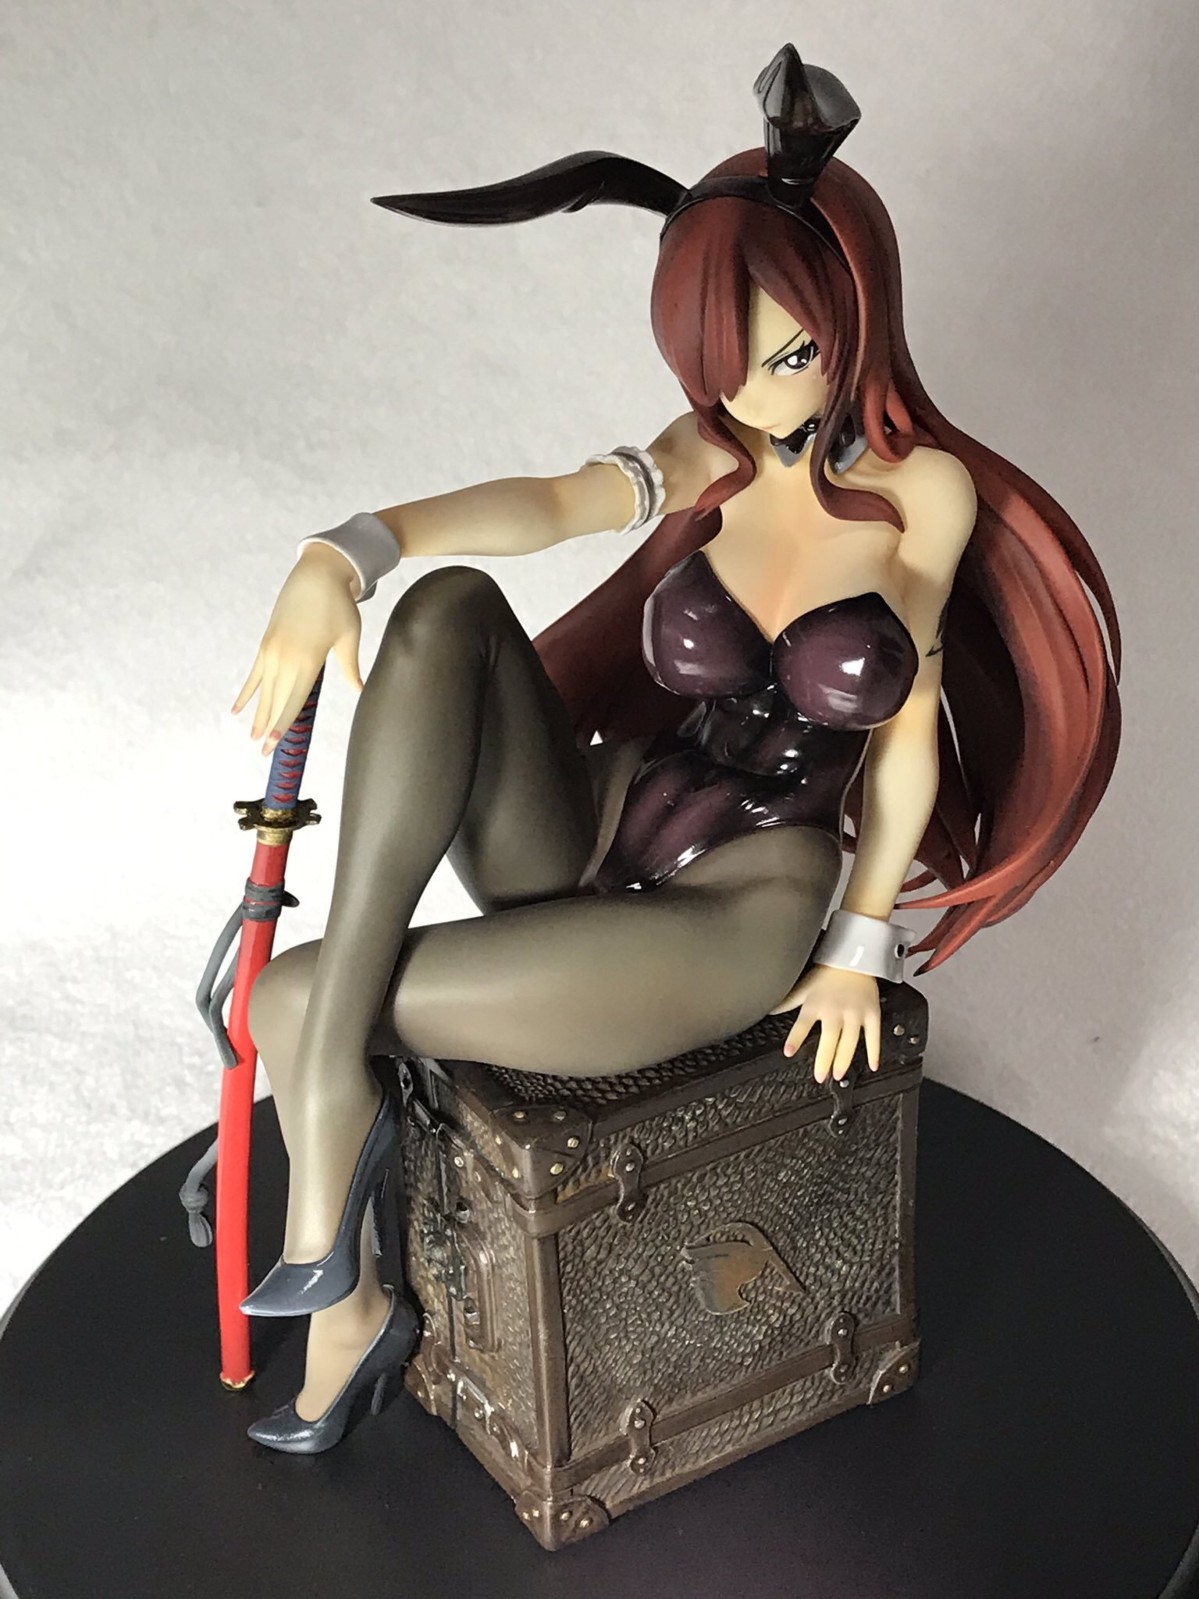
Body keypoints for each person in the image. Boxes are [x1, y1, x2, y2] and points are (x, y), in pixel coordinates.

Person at [229, 46, 1121, 1453]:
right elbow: (548, 504)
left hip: (733, 907)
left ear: (855, 317)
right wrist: (349, 549)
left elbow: (903, 734)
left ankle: (343, 1284)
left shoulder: (924, 496)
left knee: (293, 1002)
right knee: (447, 604)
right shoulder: (713, 454)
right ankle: (342, 1156)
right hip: (602, 819)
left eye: (785, 357)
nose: (754, 401)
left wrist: (861, 941)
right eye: (721, 369)